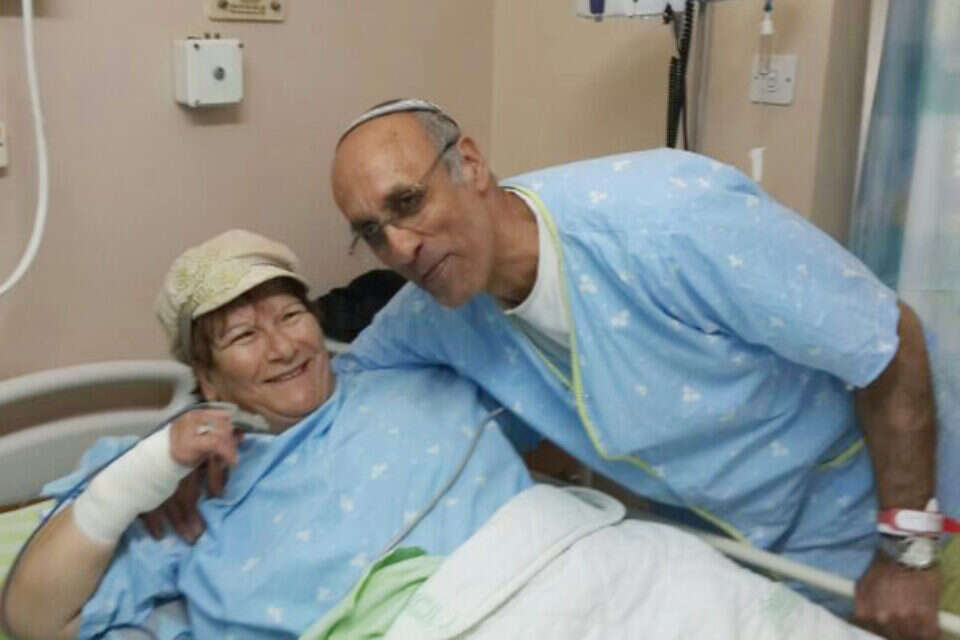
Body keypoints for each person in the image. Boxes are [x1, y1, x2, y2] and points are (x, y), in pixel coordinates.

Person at [330, 99, 944, 640]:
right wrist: (261, 367)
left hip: (880, 511)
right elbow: (340, 381)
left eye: (408, 202)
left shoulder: (669, 220)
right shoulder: (437, 306)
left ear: (469, 163)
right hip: (726, 556)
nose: (400, 248)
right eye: (372, 233)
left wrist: (908, 550)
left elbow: (889, 343)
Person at [0, 229, 532, 640]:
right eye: (244, 336)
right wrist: (149, 470)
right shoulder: (186, 482)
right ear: (207, 379)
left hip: (541, 584)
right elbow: (32, 618)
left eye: (291, 315)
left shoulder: (408, 368)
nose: (282, 348)